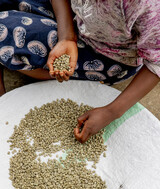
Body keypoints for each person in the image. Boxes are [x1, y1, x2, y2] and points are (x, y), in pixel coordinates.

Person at [0, 0, 159, 143]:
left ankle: (46, 73)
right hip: (73, 20)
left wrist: (111, 112)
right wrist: (66, 37)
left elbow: (156, 64)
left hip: (106, 55)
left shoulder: (148, 7)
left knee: (4, 31)